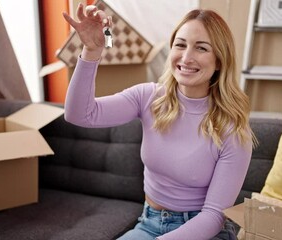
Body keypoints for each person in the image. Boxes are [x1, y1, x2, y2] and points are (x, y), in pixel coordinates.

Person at [63, 3, 255, 240]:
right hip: (149, 223)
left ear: (219, 61)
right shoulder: (148, 98)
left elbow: (214, 216)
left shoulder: (233, 130)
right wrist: (91, 51)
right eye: (180, 45)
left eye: (201, 48)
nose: (186, 57)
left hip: (203, 232)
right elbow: (79, 114)